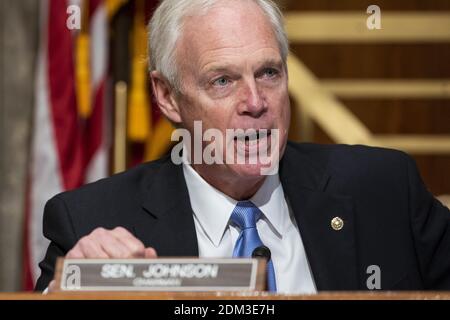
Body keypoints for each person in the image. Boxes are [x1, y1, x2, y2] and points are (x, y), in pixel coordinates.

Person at [35, 0, 450, 293]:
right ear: (165, 96)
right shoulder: (91, 220)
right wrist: (70, 287)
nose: (255, 102)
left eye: (269, 73)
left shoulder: (383, 190)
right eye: (223, 81)